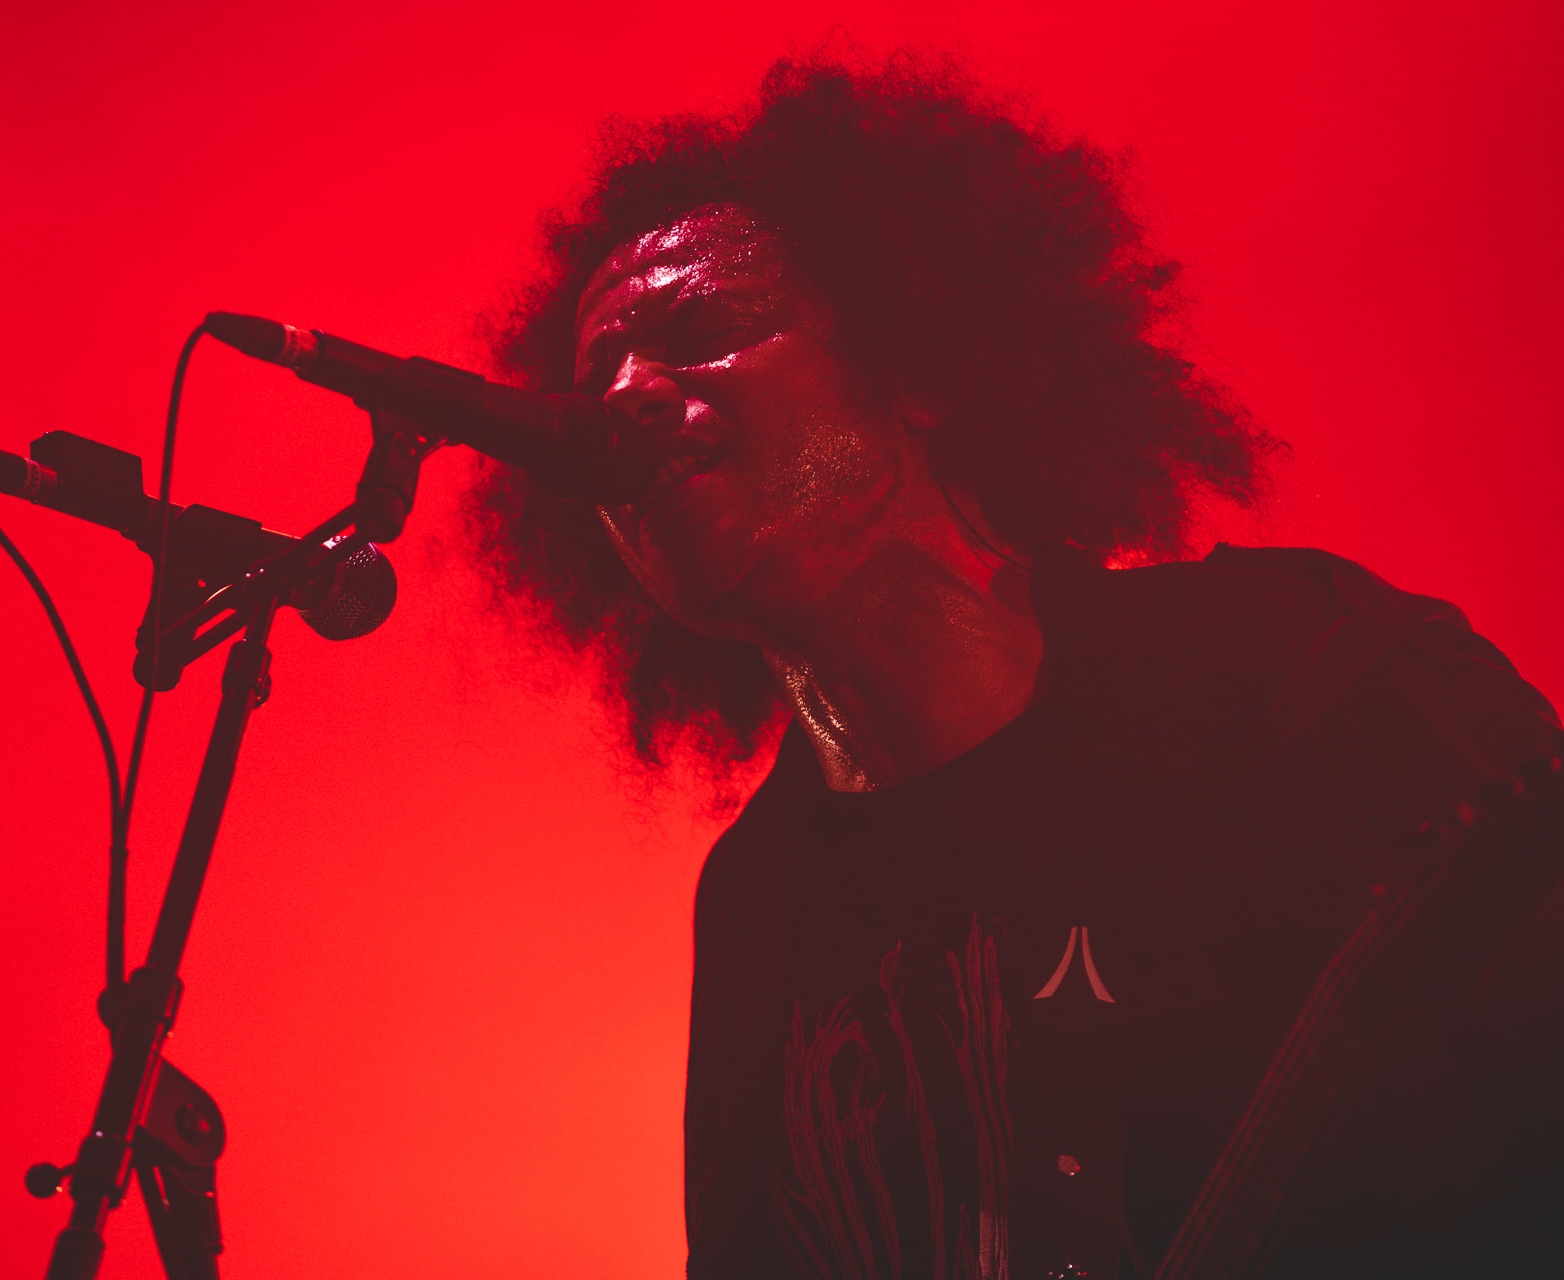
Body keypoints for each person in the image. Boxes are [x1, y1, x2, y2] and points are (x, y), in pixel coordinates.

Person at [467, 52, 1564, 1278]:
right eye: (596, 385)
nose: (626, 399)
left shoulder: (1298, 666)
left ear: (919, 368)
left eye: (706, 332)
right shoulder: (758, 907)